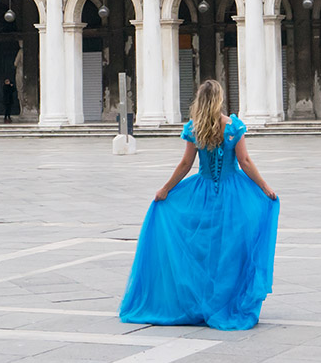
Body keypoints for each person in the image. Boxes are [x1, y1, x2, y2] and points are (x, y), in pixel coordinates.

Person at [119, 79, 279, 329]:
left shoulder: (194, 128)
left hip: (201, 192)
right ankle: (224, 301)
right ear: (219, 99)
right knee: (231, 250)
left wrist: (165, 190)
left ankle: (201, 300)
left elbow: (185, 165)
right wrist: (265, 187)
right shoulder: (233, 127)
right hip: (232, 193)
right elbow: (245, 161)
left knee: (203, 249)